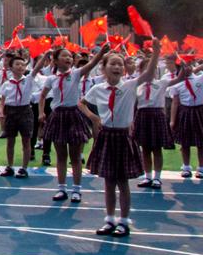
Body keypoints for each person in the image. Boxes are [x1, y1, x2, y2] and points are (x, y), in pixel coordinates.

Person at [82, 46, 159, 237]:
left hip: (123, 137)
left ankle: (124, 221)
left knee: (123, 182)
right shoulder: (98, 89)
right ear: (104, 68)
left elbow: (149, 74)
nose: (117, 67)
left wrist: (156, 52)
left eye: (120, 64)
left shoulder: (129, 86)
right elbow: (81, 103)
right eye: (113, 64)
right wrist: (93, 117)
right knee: (108, 181)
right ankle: (109, 219)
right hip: (106, 136)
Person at [40, 44, 107, 203]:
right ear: (55, 60)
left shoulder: (76, 74)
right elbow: (42, 96)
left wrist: (102, 52)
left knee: (75, 156)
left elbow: (91, 64)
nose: (68, 58)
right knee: (61, 155)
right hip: (58, 116)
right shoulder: (51, 79)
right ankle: (61, 188)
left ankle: (76, 190)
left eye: (70, 56)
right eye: (64, 56)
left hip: (73, 115)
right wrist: (41, 112)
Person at [134, 54, 187, 189]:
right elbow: (133, 104)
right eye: (146, 68)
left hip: (156, 115)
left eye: (153, 68)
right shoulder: (137, 85)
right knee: (145, 149)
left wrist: (182, 66)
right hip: (142, 116)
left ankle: (157, 178)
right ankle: (147, 176)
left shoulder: (161, 83)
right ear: (141, 71)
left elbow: (179, 78)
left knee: (157, 149)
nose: (150, 71)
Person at [0, 51, 50, 181]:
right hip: (11, 112)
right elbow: (2, 100)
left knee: (26, 140)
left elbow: (37, 67)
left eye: (22, 64)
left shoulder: (28, 79)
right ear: (11, 67)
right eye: (17, 64)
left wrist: (45, 55)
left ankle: (24, 168)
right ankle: (10, 166)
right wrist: (0, 110)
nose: (20, 66)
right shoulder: (7, 84)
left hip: (25, 111)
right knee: (10, 141)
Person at [169, 59, 203, 178]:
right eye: (184, 66)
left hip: (199, 111)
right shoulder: (177, 83)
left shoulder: (200, 78)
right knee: (185, 142)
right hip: (185, 112)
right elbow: (175, 103)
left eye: (189, 65)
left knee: (201, 142)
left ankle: (201, 168)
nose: (187, 68)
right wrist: (172, 120)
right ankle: (186, 167)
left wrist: (198, 67)